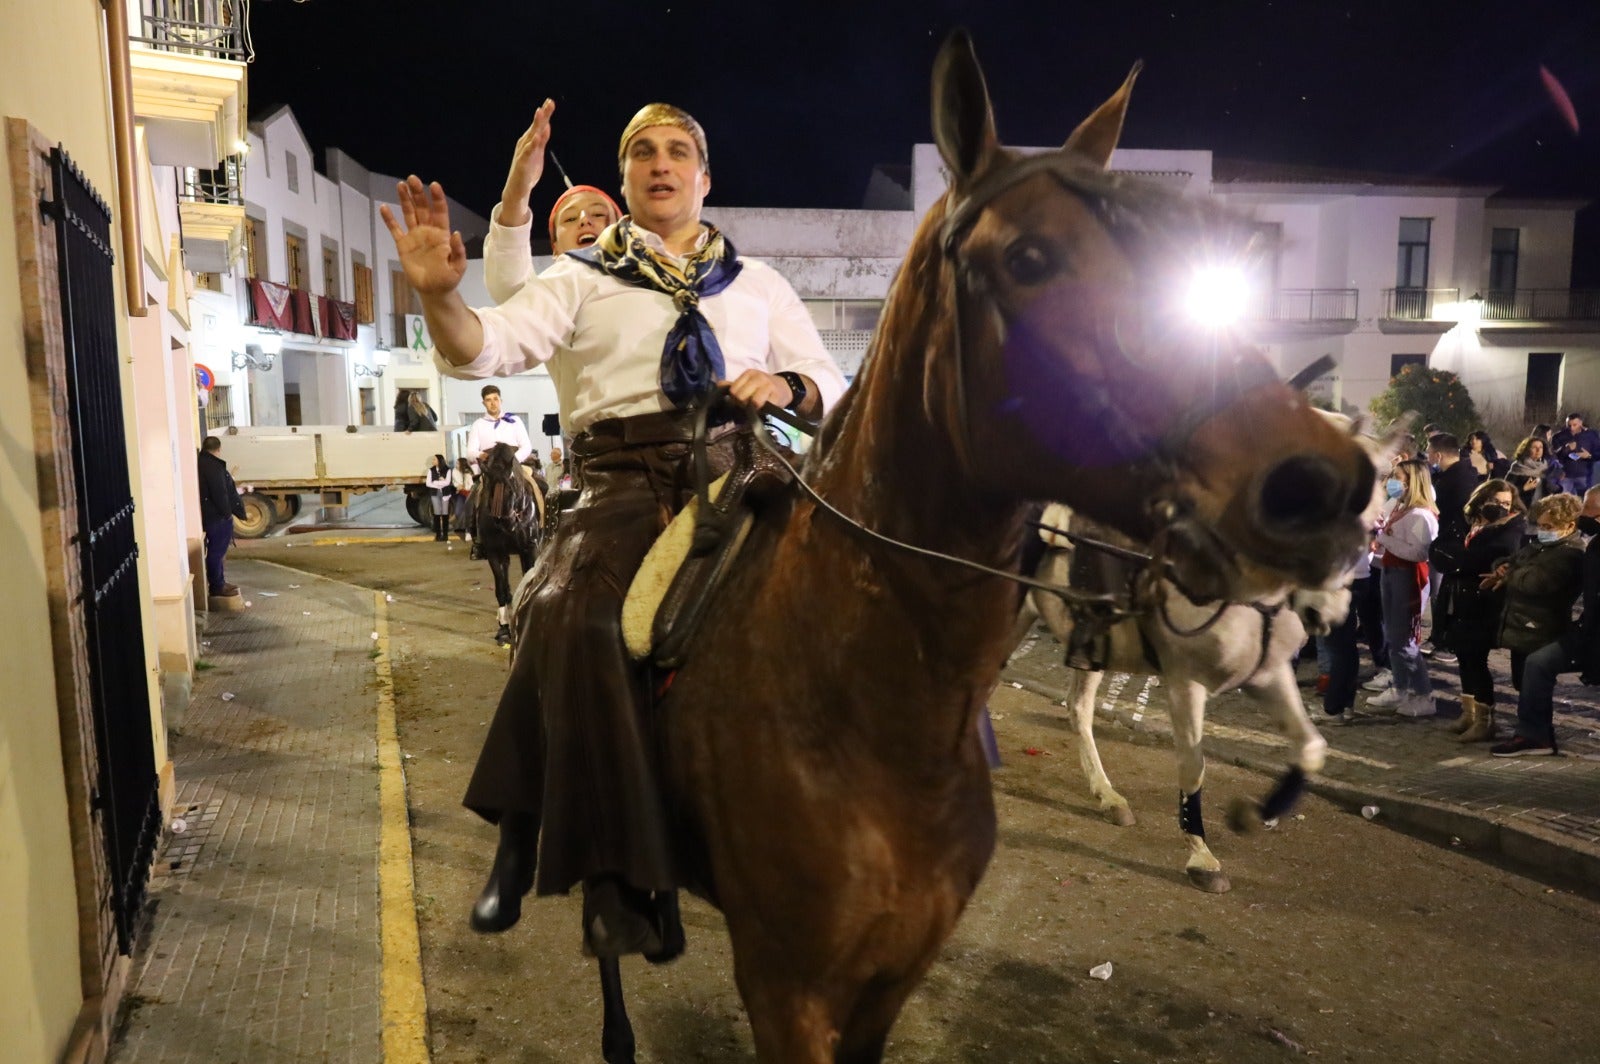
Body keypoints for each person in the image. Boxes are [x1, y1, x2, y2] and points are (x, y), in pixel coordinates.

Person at [380, 100, 846, 957]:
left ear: (705, 179)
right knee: (573, 615)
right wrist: (441, 299)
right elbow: (485, 345)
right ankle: (624, 876)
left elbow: (827, 379)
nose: (661, 164)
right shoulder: (580, 276)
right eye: (642, 153)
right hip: (624, 479)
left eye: (678, 152)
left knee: (866, 583)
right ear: (627, 179)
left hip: (743, 463)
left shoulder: (760, 283)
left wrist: (786, 385)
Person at [483, 98, 624, 306]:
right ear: (555, 248)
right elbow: (509, 282)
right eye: (570, 218)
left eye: (598, 214)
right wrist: (516, 195)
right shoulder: (549, 303)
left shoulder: (653, 288)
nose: (584, 220)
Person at [1491, 488, 1600, 756]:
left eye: (1588, 509)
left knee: (1537, 664)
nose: (1583, 514)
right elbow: (1518, 560)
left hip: (1565, 628)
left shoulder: (1572, 551)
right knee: (1537, 665)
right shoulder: (1594, 545)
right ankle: (1535, 735)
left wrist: (1510, 575)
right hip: (1588, 631)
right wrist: (1505, 566)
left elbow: (1541, 582)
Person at [1442, 479, 1527, 740]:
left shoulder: (1511, 527)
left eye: (1506, 503)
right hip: (1461, 597)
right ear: (1482, 500)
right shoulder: (1470, 523)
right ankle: (1468, 712)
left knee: (1477, 658)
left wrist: (1459, 561)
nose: (1501, 507)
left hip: (1485, 600)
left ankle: (1485, 719)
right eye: (1496, 502)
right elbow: (1443, 548)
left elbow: (1492, 555)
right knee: (1465, 655)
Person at [1367, 459, 1439, 717]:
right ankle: (1400, 687)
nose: (1393, 482)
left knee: (1405, 640)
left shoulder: (1421, 515)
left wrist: (1385, 538)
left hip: (1407, 577)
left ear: (1412, 481)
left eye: (1398, 477)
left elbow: (1418, 552)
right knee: (1394, 638)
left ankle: (1424, 694)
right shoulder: (1401, 507)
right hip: (1390, 570)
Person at [1426, 432, 1478, 660]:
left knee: (1443, 594)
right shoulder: (1465, 474)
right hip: (1452, 542)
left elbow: (1442, 512)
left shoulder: (1451, 481)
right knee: (1442, 593)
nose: (1427, 456)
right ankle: (1440, 637)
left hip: (1451, 545)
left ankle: (1445, 641)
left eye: (1428, 452)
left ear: (1438, 455)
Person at [197, 435, 248, 598]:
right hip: (217, 517)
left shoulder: (203, 463)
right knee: (217, 552)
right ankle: (217, 585)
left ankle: (219, 582)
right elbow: (220, 493)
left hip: (211, 515)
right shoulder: (213, 466)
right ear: (218, 449)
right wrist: (227, 514)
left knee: (216, 552)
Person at [463, 384, 532, 469]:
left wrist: (513, 460)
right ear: (484, 403)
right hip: (490, 466)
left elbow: (526, 446)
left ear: (501, 400)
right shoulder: (477, 425)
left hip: (514, 464)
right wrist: (480, 455)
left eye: (495, 399)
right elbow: (470, 452)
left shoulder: (515, 420)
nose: (493, 403)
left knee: (534, 480)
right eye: (488, 400)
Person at [1549, 412, 1599, 495]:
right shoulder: (1558, 436)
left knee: (1585, 501)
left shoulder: (1591, 435)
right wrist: (1566, 449)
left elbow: (1598, 454)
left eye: (1574, 425)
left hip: (1585, 476)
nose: (1571, 428)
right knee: (1564, 501)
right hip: (1565, 476)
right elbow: (1553, 456)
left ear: (1581, 423)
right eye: (1569, 425)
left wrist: (1589, 456)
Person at [1508, 435, 1563, 510]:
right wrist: (1523, 488)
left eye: (1541, 447)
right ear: (1526, 449)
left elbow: (1556, 490)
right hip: (1523, 508)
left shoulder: (1548, 467)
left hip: (1543, 508)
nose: (1538, 450)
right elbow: (1506, 490)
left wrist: (1553, 484)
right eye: (1534, 447)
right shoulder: (1518, 467)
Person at [425, 453, 453, 541]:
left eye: (434, 459)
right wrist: (439, 484)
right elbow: (428, 483)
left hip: (445, 493)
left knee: (445, 513)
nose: (432, 461)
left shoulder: (447, 470)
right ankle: (438, 534)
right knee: (436, 513)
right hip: (435, 493)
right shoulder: (431, 470)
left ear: (439, 461)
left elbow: (447, 482)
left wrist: (435, 482)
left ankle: (445, 534)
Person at [451, 457, 475, 541]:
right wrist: (458, 486)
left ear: (462, 464)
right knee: (458, 512)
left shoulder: (468, 473)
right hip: (461, 494)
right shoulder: (455, 471)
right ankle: (463, 528)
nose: (456, 465)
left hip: (468, 494)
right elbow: (455, 482)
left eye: (458, 463)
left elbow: (471, 486)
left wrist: (464, 487)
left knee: (468, 513)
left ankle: (468, 531)